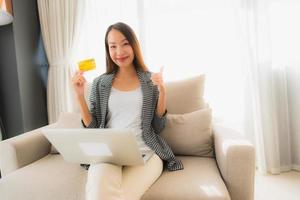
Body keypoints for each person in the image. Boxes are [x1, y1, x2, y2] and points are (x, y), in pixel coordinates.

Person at [72, 22, 183, 200]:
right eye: (113, 46)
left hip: (146, 152)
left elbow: (158, 125)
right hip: (108, 153)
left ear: (134, 45)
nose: (119, 52)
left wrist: (162, 91)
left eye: (125, 44)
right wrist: (79, 96)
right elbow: (92, 128)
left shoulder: (150, 81)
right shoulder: (100, 83)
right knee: (98, 194)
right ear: (107, 50)